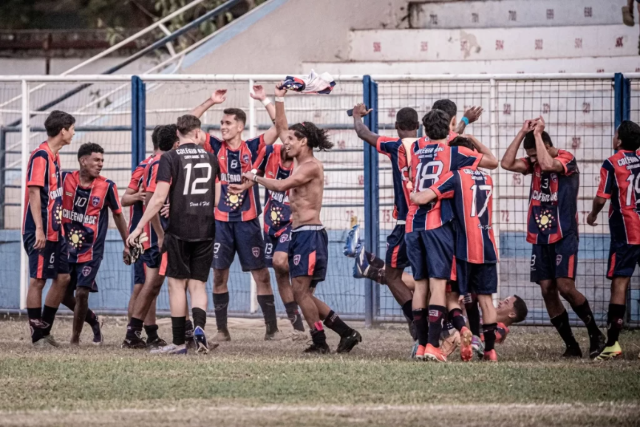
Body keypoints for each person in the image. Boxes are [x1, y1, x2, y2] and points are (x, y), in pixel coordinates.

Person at [242, 84, 361, 354]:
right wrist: (279, 97)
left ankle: (319, 342)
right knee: (303, 293)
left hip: (310, 235)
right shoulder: (299, 158)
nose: (286, 143)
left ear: (304, 141)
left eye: (292, 140)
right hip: (300, 234)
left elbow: (284, 186)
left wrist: (255, 177)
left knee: (301, 292)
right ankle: (346, 332)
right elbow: (282, 125)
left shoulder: (310, 166)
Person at [501, 117, 605, 359]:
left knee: (565, 287)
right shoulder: (534, 161)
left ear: (547, 145)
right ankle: (571, 345)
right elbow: (506, 163)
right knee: (547, 289)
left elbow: (548, 165)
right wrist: (522, 132)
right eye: (531, 156)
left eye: (535, 154)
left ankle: (595, 334)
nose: (533, 160)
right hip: (540, 235)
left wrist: (538, 135)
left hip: (564, 233)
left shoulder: (565, 158)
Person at [403, 109, 498, 362]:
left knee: (419, 285)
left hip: (412, 224)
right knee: (438, 286)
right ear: (449, 131)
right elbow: (491, 162)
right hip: (436, 223)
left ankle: (422, 345)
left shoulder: (415, 150)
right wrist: (465, 129)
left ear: (424, 130)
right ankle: (434, 344)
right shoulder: (455, 153)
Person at [190, 86, 284, 341]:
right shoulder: (215, 146)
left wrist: (265, 99)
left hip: (247, 222)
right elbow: (188, 125)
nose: (223, 127)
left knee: (261, 275)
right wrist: (211, 100)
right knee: (219, 274)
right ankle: (222, 330)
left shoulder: (253, 147)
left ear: (240, 126)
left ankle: (271, 329)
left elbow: (280, 126)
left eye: (228, 123)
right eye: (221, 123)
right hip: (220, 222)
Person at [128, 115, 219, 355]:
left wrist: (139, 227)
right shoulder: (212, 158)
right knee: (198, 285)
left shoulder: (169, 157)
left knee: (176, 285)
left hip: (179, 230)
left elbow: (158, 198)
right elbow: (218, 199)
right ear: (198, 134)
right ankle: (199, 330)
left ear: (178, 134)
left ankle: (179, 343)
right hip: (206, 229)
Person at [229, 142, 307, 340]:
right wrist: (243, 186)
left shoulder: (303, 165)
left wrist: (274, 108)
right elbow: (255, 175)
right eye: (286, 139)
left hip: (293, 224)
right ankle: (297, 327)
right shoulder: (271, 152)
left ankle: (310, 313)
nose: (288, 143)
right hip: (270, 224)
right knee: (280, 273)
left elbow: (280, 125)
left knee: (282, 262)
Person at [61, 143, 129, 344]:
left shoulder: (107, 186)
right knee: (63, 295)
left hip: (92, 250)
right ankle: (93, 320)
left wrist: (127, 243)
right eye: (96, 160)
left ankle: (75, 339)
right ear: (83, 160)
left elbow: (118, 215)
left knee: (82, 292)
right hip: (66, 248)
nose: (101, 164)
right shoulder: (65, 179)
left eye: (102, 160)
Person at [122, 125, 181, 349]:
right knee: (150, 285)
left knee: (148, 285)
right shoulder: (157, 164)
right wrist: (159, 232)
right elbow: (130, 199)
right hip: (150, 234)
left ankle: (145, 334)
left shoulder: (146, 164)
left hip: (146, 233)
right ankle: (136, 333)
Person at [587, 120, 640, 360]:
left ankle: (613, 344)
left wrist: (592, 214)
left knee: (620, 283)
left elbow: (601, 197)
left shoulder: (612, 162)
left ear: (618, 140)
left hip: (627, 233)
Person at [22, 110, 75, 347]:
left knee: (63, 277)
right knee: (38, 280)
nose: (74, 132)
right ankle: (37, 336)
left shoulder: (55, 156)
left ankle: (45, 328)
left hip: (56, 229)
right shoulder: (41, 156)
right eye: (72, 128)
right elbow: (34, 192)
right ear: (62, 130)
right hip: (39, 230)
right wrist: (40, 230)